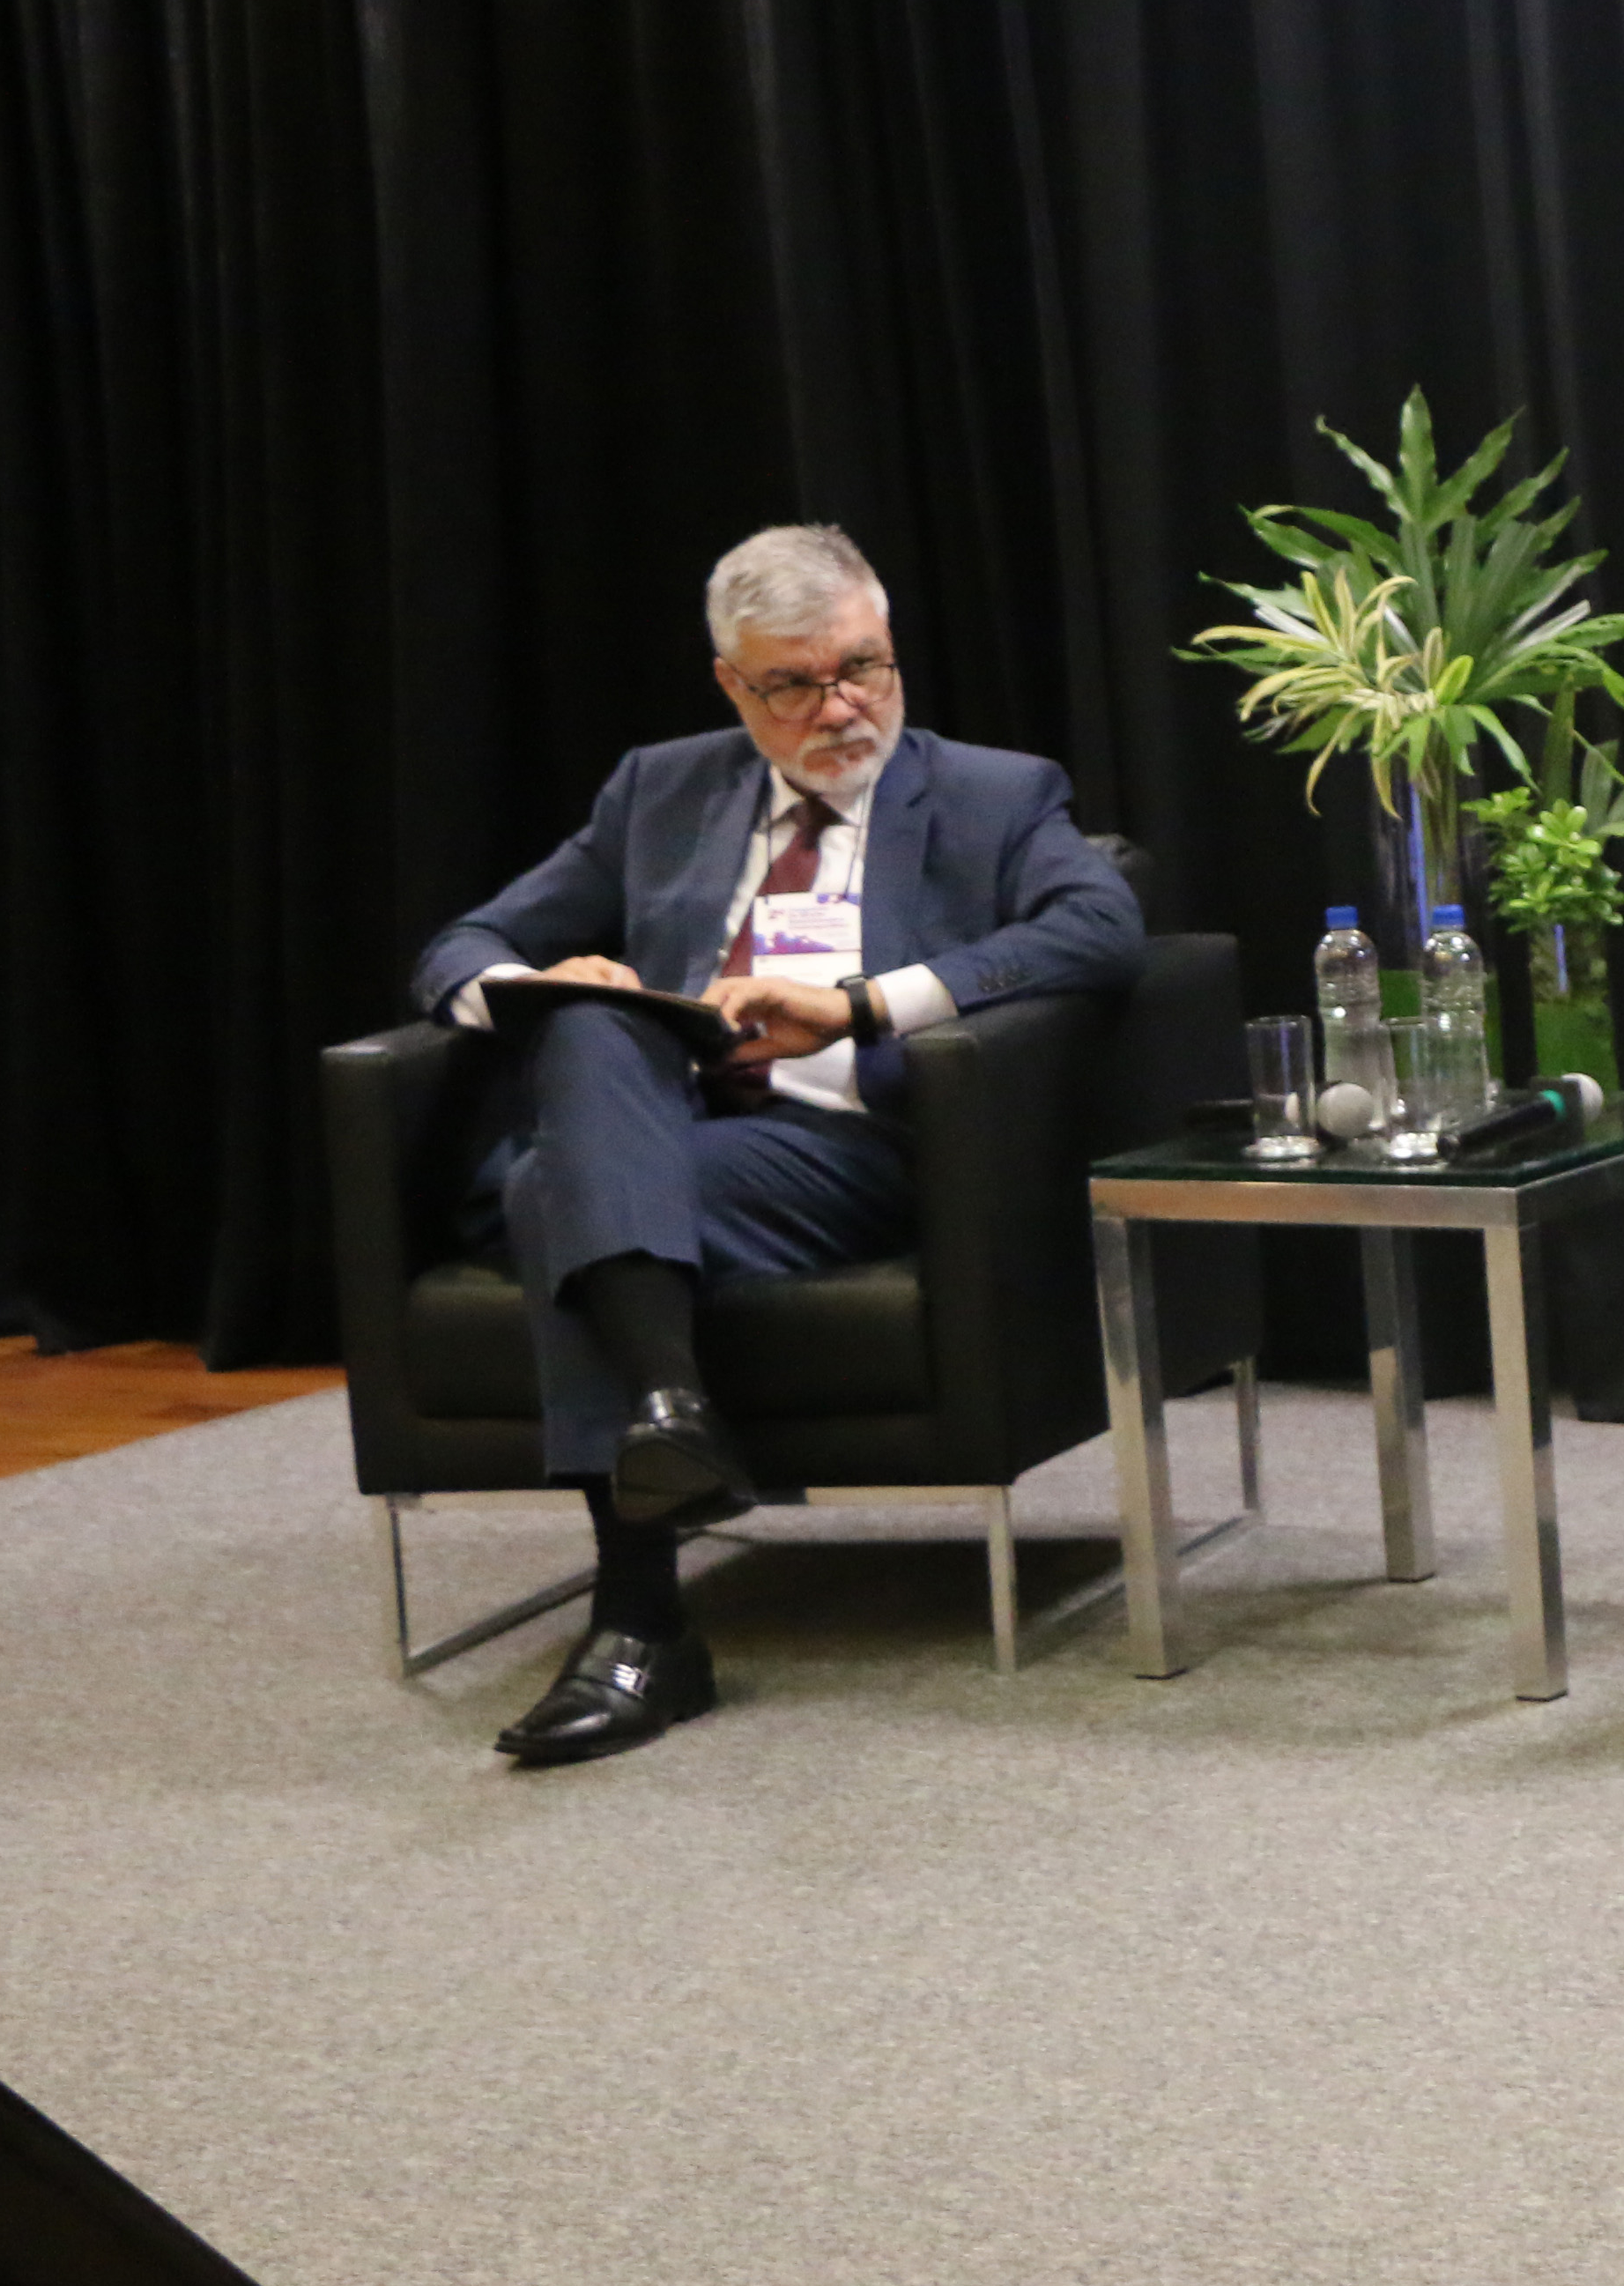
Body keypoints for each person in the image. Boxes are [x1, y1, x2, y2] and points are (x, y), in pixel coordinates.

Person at [412, 525, 1141, 1768]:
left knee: (553, 1190)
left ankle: (641, 1615)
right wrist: (537, 978)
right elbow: (461, 945)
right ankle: (668, 1412)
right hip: (675, 1137)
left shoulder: (993, 792)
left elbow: (1103, 929)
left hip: (846, 1148)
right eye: (794, 686)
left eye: (863, 669)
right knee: (586, 1039)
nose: (841, 707)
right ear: (732, 685)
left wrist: (860, 1003)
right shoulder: (660, 788)